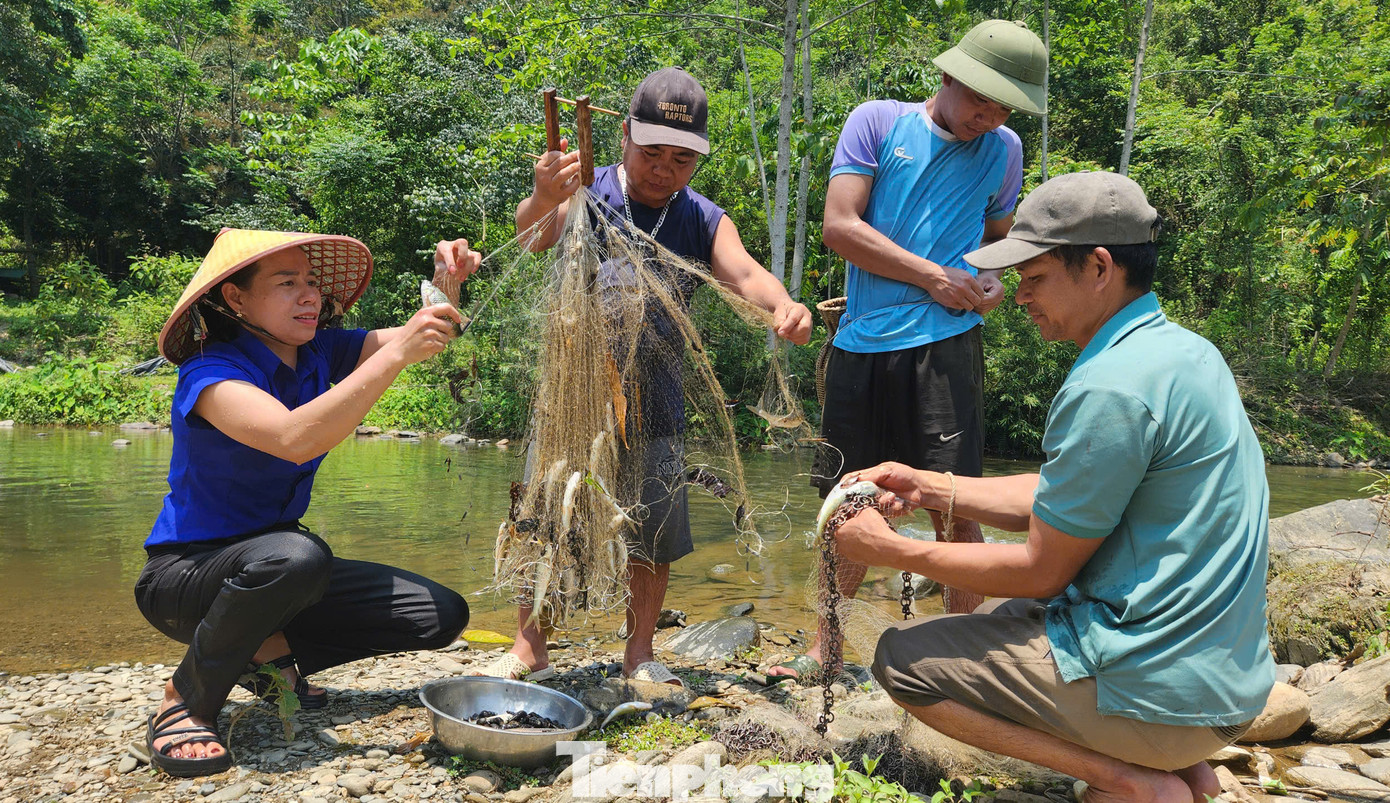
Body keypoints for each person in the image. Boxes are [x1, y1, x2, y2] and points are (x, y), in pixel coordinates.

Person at [827, 171, 1275, 803]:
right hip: (1225, 683)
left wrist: (887, 550)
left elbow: (1043, 571)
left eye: (1034, 279)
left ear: (1098, 268)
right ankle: (1187, 771)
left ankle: (1134, 780)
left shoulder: (1110, 387)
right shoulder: (1184, 352)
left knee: (905, 661)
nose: (1019, 296)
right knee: (999, 619)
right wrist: (932, 487)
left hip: (1167, 694)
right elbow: (1067, 497)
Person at [437, 67, 812, 686]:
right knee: (548, 514)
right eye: (652, 153)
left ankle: (639, 652)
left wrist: (783, 306)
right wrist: (543, 193)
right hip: (573, 392)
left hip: (656, 394)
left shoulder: (702, 218)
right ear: (622, 141)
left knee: (654, 530)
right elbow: (533, 235)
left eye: (682, 159)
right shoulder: (586, 189)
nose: (665, 169)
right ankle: (531, 644)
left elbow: (745, 274)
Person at [138, 228, 481, 777]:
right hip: (185, 579)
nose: (309, 296)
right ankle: (185, 699)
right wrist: (395, 356)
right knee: (298, 555)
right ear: (235, 298)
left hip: (275, 567)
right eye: (287, 283)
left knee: (438, 615)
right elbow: (295, 438)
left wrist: (447, 284)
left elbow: (432, 333)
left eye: (312, 282)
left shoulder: (321, 351)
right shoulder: (209, 373)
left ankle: (261, 655)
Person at [773, 19, 1048, 682]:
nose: (989, 114)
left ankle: (966, 658)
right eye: (981, 97)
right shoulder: (876, 123)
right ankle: (825, 649)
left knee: (956, 504)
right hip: (863, 345)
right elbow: (840, 227)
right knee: (850, 500)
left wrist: (992, 284)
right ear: (950, 76)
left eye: (1003, 105)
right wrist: (932, 276)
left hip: (946, 349)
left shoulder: (1004, 151)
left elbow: (997, 244)